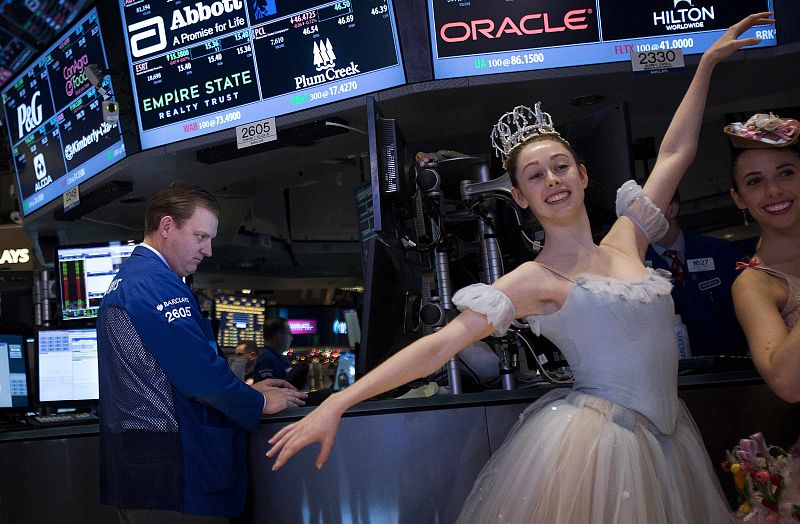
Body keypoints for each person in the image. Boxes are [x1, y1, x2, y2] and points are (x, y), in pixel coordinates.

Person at [266, 13, 772, 522]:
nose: (552, 179)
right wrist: (337, 403)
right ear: (520, 196)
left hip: (670, 440)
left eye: (560, 166)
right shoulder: (534, 279)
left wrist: (705, 64)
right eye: (534, 175)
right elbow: (438, 346)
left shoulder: (628, 239)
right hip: (603, 447)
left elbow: (675, 152)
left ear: (582, 173)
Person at [97, 182, 307, 523]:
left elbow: (165, 374)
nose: (207, 250)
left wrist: (244, 390)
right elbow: (200, 376)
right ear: (167, 227)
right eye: (200, 237)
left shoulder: (132, 279)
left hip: (146, 469)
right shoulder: (155, 285)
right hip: (175, 476)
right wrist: (259, 402)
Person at [727, 112, 800, 403]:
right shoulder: (754, 285)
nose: (773, 191)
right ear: (739, 198)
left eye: (786, 173)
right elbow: (788, 384)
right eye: (755, 181)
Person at [645, 191, 748, 356]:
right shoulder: (634, 267)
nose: (641, 218)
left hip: (733, 368)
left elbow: (751, 310)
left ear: (672, 209)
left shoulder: (720, 252)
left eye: (648, 209)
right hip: (675, 375)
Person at [253, 317, 307, 389]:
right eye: (289, 334)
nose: (292, 339)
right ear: (279, 336)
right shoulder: (267, 360)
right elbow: (271, 393)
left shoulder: (277, 358)